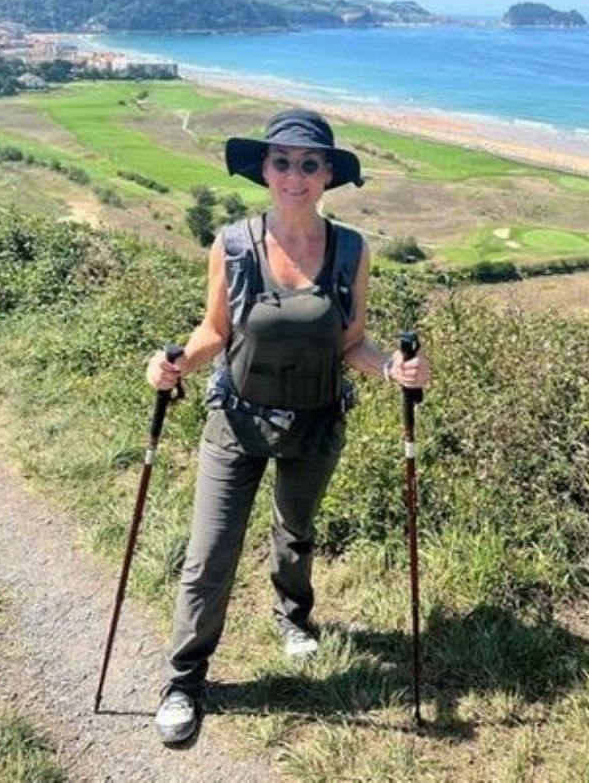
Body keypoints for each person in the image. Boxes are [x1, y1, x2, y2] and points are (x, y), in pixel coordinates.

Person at [146, 108, 430, 744]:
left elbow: (350, 341)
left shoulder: (351, 248)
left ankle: (294, 617)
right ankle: (185, 679)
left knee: (296, 530)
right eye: (283, 162)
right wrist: (173, 365)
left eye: (309, 163)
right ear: (264, 170)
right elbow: (215, 332)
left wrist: (390, 369)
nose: (295, 175)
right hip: (236, 418)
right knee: (209, 555)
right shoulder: (234, 244)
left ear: (328, 174)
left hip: (317, 420)